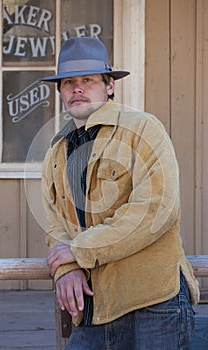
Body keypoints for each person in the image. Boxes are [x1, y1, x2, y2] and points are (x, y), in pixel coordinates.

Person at [41, 37, 199, 350]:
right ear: (60, 92)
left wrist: (80, 250)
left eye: (88, 80)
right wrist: (67, 267)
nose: (77, 89)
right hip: (94, 307)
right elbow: (55, 223)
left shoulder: (143, 129)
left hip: (154, 302)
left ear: (110, 85)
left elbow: (156, 210)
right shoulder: (56, 151)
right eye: (68, 82)